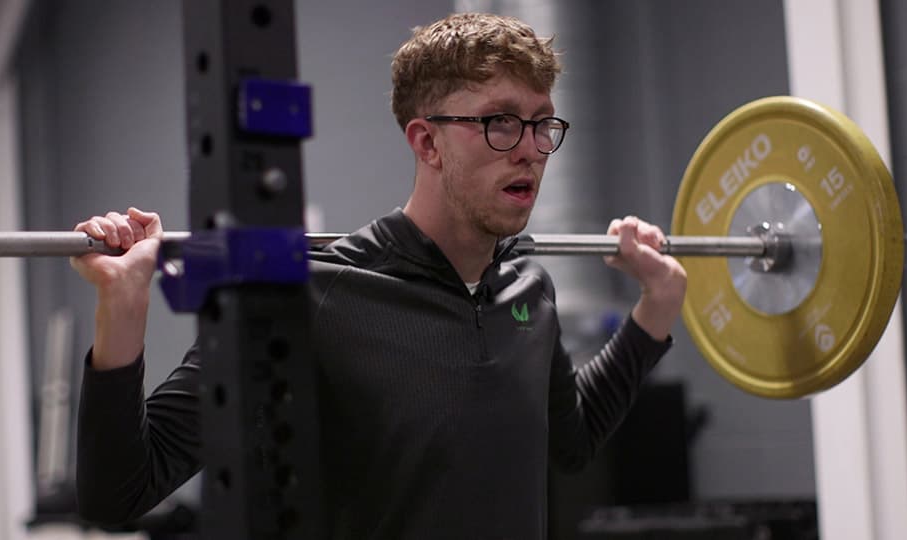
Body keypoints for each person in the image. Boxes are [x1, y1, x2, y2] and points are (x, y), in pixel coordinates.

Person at [71, 11, 687, 539]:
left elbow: (570, 440)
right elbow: (120, 494)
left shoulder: (530, 286)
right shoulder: (314, 297)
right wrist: (122, 307)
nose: (530, 147)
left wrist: (657, 305)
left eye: (542, 123)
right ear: (426, 142)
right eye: (500, 122)